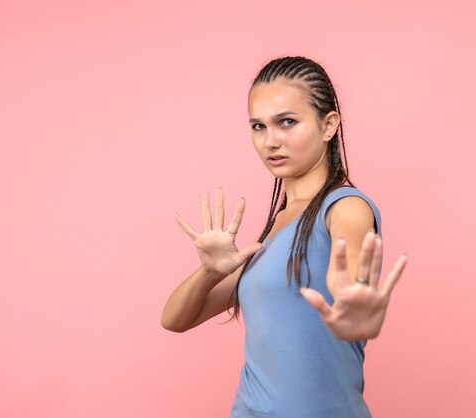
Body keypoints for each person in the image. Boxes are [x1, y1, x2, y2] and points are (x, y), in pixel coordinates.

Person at [161, 56, 408, 418]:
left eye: (287, 122)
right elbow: (174, 319)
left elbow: (351, 274)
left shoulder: (345, 208)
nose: (270, 141)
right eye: (258, 127)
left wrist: (353, 301)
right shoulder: (274, 228)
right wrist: (211, 271)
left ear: (329, 125)